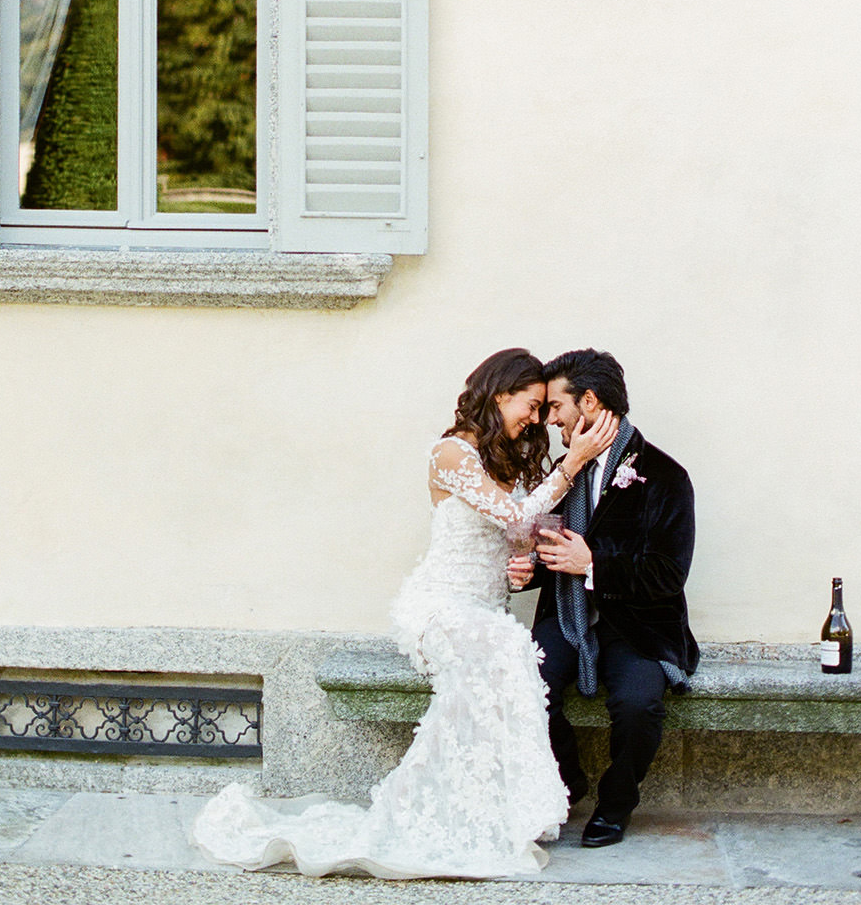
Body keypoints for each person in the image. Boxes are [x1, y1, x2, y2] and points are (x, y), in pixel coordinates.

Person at [190, 348, 618, 879]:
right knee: (506, 649)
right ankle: (447, 812)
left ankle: (494, 810)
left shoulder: (507, 458)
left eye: (539, 409)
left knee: (507, 652)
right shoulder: (451, 454)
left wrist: (524, 562)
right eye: (529, 406)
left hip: (484, 610)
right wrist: (573, 465)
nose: (534, 419)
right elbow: (513, 512)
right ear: (499, 393)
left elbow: (519, 530)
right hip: (440, 605)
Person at [508, 349, 698, 850]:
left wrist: (592, 564)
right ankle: (568, 783)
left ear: (588, 402)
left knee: (638, 705)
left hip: (637, 623)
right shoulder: (560, 472)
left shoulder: (665, 477)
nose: (548, 420)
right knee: (527, 684)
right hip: (567, 617)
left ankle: (616, 804)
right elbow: (549, 553)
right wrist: (528, 570)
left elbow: (668, 574)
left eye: (556, 407)